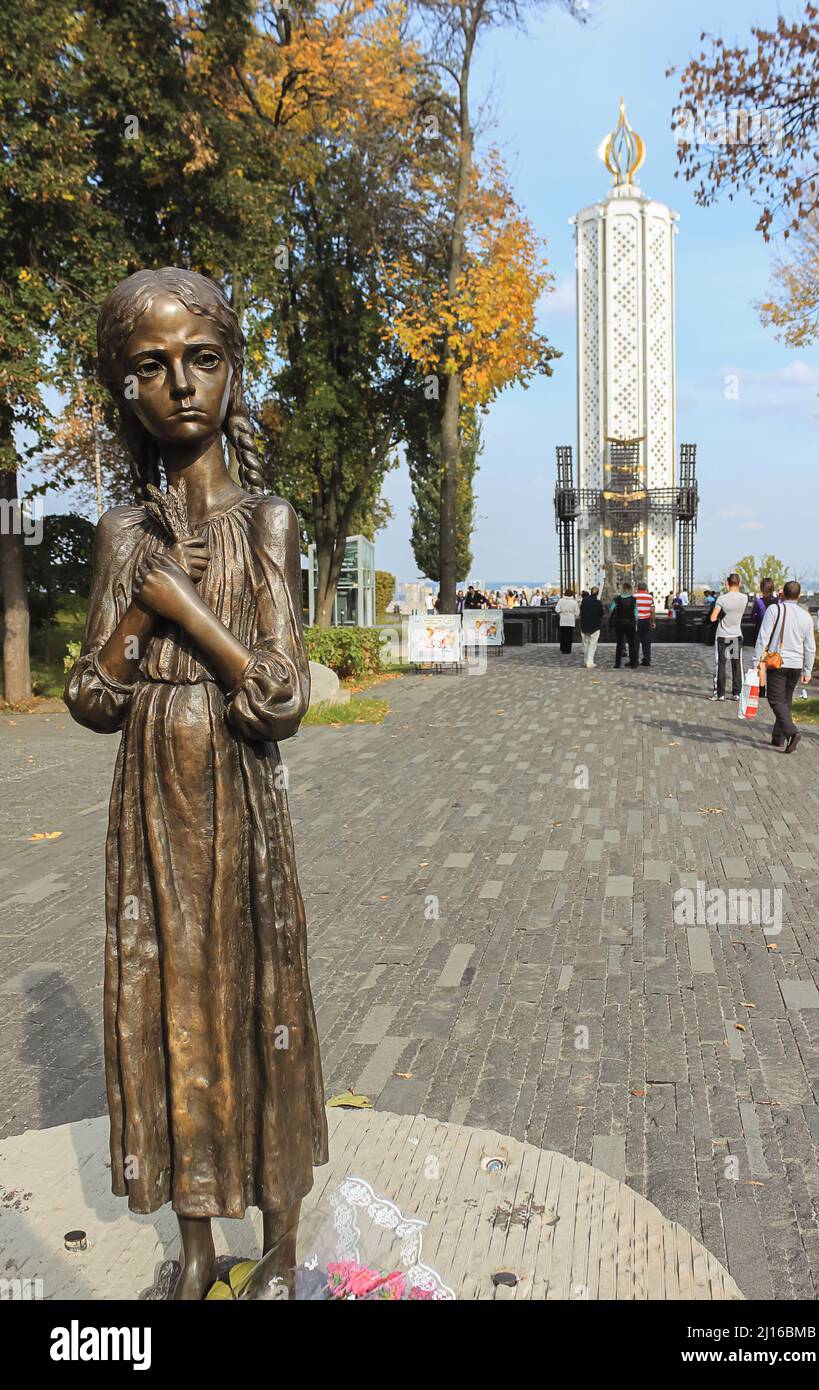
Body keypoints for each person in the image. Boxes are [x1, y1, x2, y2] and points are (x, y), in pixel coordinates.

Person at [64, 267, 327, 1300]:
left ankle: (283, 1237)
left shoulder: (266, 523)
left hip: (235, 783)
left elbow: (278, 695)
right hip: (149, 801)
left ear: (232, 372)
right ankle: (198, 1241)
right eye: (151, 366)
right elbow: (91, 694)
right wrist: (139, 613)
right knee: (164, 996)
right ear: (125, 388)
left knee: (259, 993)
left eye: (201, 360)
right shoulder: (122, 537)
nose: (180, 385)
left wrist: (192, 615)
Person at [753, 579, 815, 752]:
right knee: (786, 700)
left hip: (778, 662)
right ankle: (778, 737)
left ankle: (791, 732)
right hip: (796, 664)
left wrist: (756, 661)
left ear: (783, 594)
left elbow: (763, 637)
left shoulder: (775, 610)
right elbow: (810, 647)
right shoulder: (806, 617)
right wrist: (807, 670)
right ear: (799, 596)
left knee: (774, 699)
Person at [709, 572, 747, 700]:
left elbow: (713, 618)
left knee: (721, 664)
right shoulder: (744, 598)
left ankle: (721, 693)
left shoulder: (722, 599)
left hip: (722, 636)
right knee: (736, 664)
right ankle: (737, 693)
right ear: (739, 583)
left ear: (727, 583)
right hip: (736, 635)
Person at [610, 580, 638, 668]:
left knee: (619, 643)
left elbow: (611, 609)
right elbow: (636, 614)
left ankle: (617, 663)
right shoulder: (633, 600)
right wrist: (635, 621)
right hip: (630, 623)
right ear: (630, 589)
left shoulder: (617, 599)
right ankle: (633, 663)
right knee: (631, 643)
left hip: (619, 623)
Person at [579, 585, 604, 667]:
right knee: (592, 643)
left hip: (584, 624)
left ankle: (585, 660)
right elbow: (601, 613)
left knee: (586, 643)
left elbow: (581, 610)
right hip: (595, 625)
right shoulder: (598, 603)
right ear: (597, 594)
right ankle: (589, 661)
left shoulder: (585, 600)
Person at [635, 581, 655, 666]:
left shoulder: (634, 596)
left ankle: (635, 660)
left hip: (636, 621)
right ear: (645, 588)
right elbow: (652, 610)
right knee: (646, 641)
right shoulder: (650, 597)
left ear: (637, 587)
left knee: (635, 641)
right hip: (646, 620)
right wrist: (653, 621)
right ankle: (647, 659)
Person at [555, 588, 578, 653]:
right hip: (571, 620)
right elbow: (577, 612)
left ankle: (563, 648)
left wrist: (561, 613)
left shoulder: (561, 601)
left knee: (563, 635)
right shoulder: (574, 602)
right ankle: (568, 649)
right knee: (569, 635)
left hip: (563, 619)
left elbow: (557, 609)